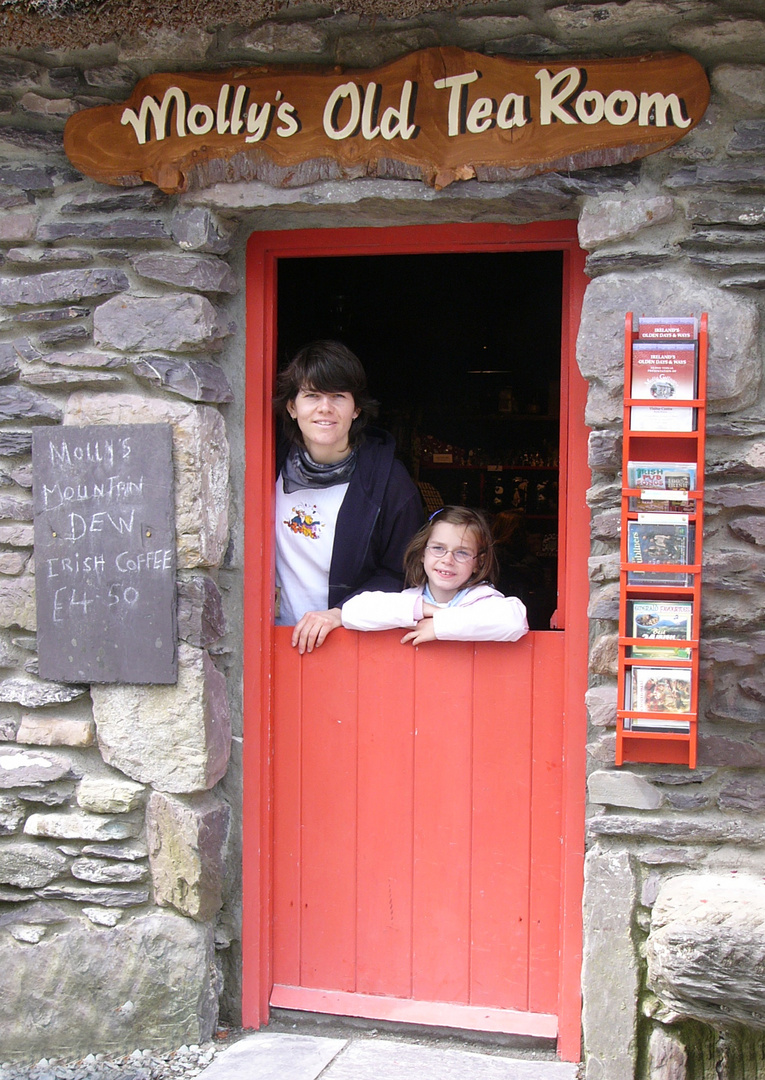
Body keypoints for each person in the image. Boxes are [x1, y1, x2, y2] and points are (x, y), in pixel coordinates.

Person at [274, 339, 424, 653]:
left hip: (354, 645)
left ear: (356, 408)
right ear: (292, 406)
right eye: (312, 395)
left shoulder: (390, 482)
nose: (324, 408)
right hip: (276, 639)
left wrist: (340, 614)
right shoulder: (265, 465)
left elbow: (403, 571)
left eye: (338, 396)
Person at [341, 506, 528, 646]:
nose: (448, 560)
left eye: (461, 552)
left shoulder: (483, 600)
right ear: (422, 553)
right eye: (438, 548)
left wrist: (439, 625)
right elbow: (351, 611)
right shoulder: (410, 599)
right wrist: (423, 610)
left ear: (479, 562)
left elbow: (515, 621)